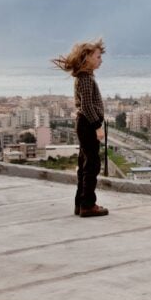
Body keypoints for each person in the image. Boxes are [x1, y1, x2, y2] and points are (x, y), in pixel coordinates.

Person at [52, 39, 109, 217]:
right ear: (87, 58)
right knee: (92, 165)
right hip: (87, 125)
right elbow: (86, 106)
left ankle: (80, 203)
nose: (101, 60)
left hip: (85, 124)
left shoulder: (86, 76)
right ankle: (88, 204)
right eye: (98, 57)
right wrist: (97, 126)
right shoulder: (85, 78)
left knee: (85, 164)